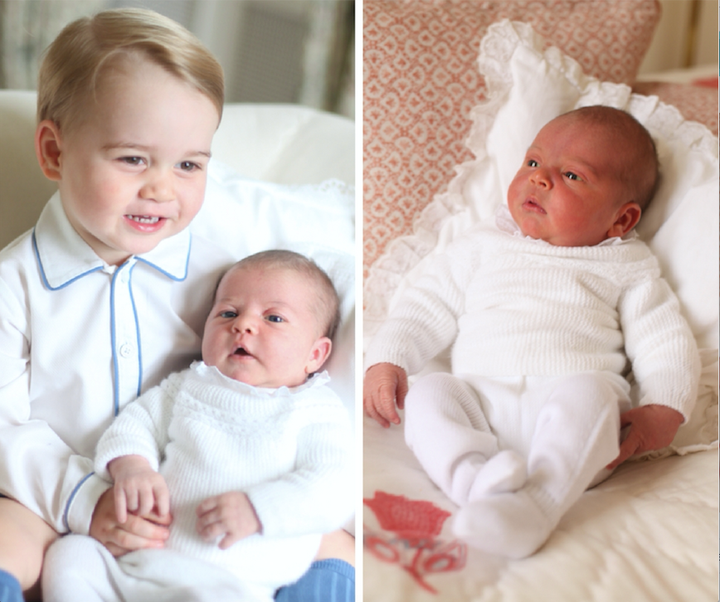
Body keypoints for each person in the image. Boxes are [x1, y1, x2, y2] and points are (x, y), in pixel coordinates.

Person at [0, 9, 352, 602]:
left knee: (332, 546)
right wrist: (88, 498)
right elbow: (6, 429)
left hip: (208, 489)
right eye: (133, 159)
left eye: (189, 164)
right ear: (55, 152)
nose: (163, 189)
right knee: (6, 536)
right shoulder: (15, 283)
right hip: (62, 494)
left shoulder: (226, 239)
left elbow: (335, 245)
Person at [363, 106, 700, 559]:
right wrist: (389, 359)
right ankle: (475, 485)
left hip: (570, 424)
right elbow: (424, 306)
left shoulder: (627, 265)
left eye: (573, 176)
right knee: (430, 394)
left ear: (621, 220)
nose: (540, 179)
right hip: (478, 403)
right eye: (534, 162)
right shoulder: (480, 245)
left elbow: (663, 338)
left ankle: (539, 504)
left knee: (593, 393)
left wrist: (665, 407)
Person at [42, 250, 354, 602]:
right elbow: (135, 423)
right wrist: (132, 466)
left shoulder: (313, 409)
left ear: (315, 354)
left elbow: (334, 487)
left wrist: (259, 509)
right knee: (70, 555)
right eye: (228, 312)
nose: (243, 325)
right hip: (135, 566)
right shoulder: (189, 385)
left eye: (274, 318)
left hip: (230, 585)